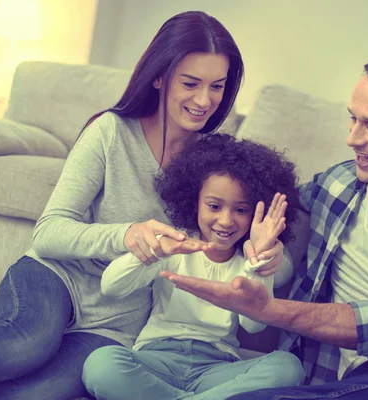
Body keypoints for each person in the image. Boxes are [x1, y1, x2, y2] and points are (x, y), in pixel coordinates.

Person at [0, 11, 283, 400]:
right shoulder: (111, 131)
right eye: (191, 83)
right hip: (57, 277)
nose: (205, 101)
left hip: (118, 319)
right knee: (26, 344)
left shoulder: (214, 161)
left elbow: (235, 234)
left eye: (217, 86)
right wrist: (127, 235)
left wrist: (267, 254)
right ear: (159, 77)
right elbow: (49, 232)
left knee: (35, 395)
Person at [163, 49, 368, 399]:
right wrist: (258, 245)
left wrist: (270, 310)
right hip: (325, 382)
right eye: (352, 119)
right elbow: (253, 205)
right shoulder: (339, 183)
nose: (352, 138)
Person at [81, 133, 304, 400]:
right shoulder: (174, 245)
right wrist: (153, 251)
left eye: (241, 210)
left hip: (217, 369)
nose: (225, 220)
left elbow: (254, 326)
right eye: (214, 206)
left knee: (287, 367)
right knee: (100, 364)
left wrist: (257, 260)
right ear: (193, 202)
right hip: (156, 360)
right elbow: (111, 286)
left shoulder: (249, 262)